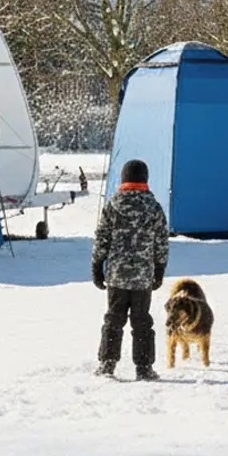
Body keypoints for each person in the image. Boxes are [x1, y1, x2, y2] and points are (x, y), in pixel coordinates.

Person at [92, 158, 170, 381]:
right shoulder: (153, 208)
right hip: (143, 277)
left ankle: (107, 364)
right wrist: (160, 268)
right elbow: (161, 241)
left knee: (113, 319)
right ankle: (144, 368)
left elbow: (102, 238)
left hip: (117, 276)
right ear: (145, 179)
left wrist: (97, 265)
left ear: (123, 179)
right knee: (142, 320)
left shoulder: (113, 205)